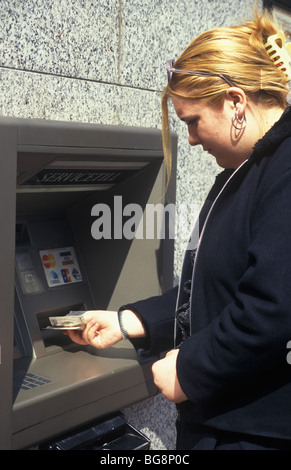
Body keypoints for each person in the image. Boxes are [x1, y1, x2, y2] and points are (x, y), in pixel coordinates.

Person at [66, 7, 291, 450]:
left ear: (234, 103)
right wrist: (129, 321)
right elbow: (213, 289)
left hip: (256, 434)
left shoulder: (283, 171)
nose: (189, 139)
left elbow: (272, 309)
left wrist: (190, 370)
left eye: (192, 120)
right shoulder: (244, 172)